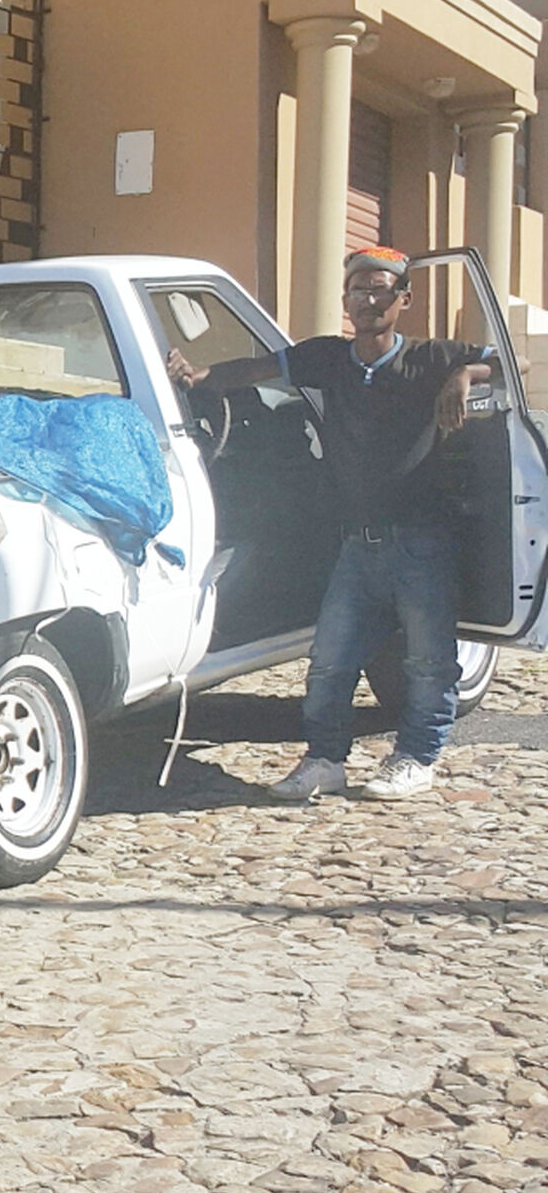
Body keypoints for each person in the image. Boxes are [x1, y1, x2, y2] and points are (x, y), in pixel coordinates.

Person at [167, 245, 494, 803]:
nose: (368, 300)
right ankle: (324, 761)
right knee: (330, 662)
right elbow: (258, 369)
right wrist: (198, 377)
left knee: (428, 663)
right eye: (358, 290)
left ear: (404, 299)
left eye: (380, 289)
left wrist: (464, 373)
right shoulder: (328, 357)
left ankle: (416, 759)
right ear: (346, 300)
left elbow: (512, 363)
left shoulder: (431, 356)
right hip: (356, 546)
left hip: (421, 542)